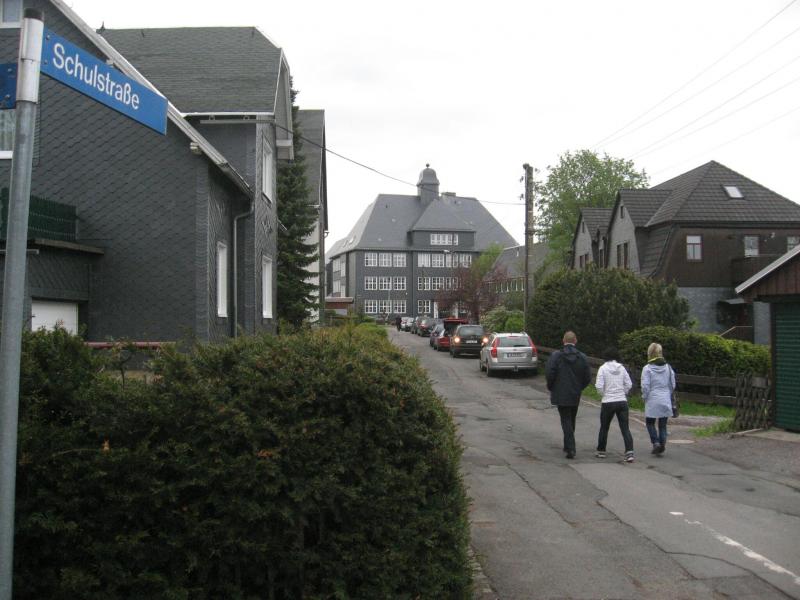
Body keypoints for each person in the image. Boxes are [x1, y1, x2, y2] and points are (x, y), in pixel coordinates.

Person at [546, 331, 591, 459]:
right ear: (575, 341)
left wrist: (551, 387)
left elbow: (550, 373)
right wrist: (579, 387)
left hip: (560, 392)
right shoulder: (582, 357)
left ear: (563, 340)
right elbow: (587, 377)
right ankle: (568, 445)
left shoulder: (556, 356)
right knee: (572, 418)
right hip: (575, 392)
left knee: (565, 419)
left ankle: (570, 447)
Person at [594, 347, 634, 462]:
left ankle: (601, 450)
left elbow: (599, 386)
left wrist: (604, 394)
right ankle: (629, 452)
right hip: (621, 401)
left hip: (608, 401)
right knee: (625, 428)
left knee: (604, 427)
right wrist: (623, 392)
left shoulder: (603, 368)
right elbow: (629, 384)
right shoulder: (622, 368)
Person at [641, 342, 676, 456]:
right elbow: (672, 384)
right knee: (662, 424)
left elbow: (645, 386)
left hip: (652, 398)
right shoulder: (668, 367)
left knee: (650, 423)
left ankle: (655, 442)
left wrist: (644, 397)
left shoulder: (647, 368)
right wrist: (667, 393)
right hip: (665, 398)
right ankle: (662, 443)